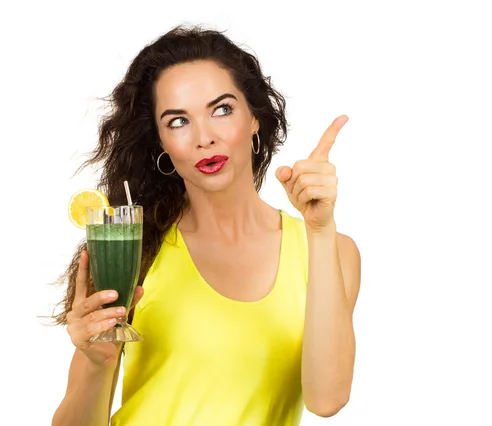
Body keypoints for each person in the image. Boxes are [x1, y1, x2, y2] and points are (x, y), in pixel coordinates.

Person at [51, 24, 361, 426]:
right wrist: (97, 363)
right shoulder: (134, 252)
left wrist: (319, 228)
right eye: (178, 121)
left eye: (222, 109)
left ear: (254, 118)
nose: (204, 137)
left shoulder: (331, 251)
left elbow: (327, 399)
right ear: (161, 141)